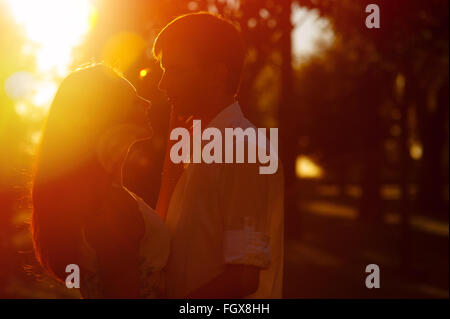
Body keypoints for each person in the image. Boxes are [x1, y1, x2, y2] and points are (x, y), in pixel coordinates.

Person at [154, 12, 284, 298]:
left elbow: (243, 278)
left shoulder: (245, 149)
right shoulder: (197, 147)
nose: (163, 85)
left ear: (217, 74)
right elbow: (162, 244)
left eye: (175, 70)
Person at [31, 63, 170, 298]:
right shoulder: (113, 206)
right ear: (107, 113)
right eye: (134, 99)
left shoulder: (103, 197)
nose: (147, 103)